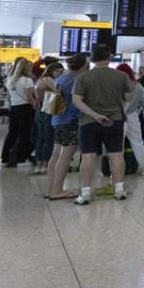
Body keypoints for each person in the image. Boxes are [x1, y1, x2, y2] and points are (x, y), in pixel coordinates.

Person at [72, 45, 131, 205]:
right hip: (115, 120)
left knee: (88, 156)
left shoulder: (83, 77)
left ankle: (85, 193)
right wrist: (119, 108)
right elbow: (128, 97)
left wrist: (95, 115)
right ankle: (119, 190)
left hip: (89, 121)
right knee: (116, 154)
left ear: (92, 58)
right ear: (109, 57)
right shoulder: (122, 76)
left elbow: (76, 100)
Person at [45, 54, 88, 200]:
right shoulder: (75, 81)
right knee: (66, 156)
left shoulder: (61, 78)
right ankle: (57, 190)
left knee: (56, 154)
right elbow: (79, 101)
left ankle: (51, 188)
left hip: (58, 119)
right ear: (83, 66)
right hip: (70, 120)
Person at [115, 64, 144, 176]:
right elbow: (142, 103)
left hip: (118, 116)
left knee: (117, 144)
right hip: (133, 116)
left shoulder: (116, 85)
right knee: (138, 142)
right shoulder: (138, 86)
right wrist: (136, 111)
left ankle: (116, 169)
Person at [1, 57, 36, 167]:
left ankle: (6, 156)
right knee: (25, 134)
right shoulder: (27, 80)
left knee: (12, 133)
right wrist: (35, 105)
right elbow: (29, 97)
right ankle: (20, 156)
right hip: (25, 109)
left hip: (14, 108)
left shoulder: (10, 79)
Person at [31, 61, 64, 174]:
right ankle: (45, 163)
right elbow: (59, 89)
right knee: (48, 137)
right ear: (51, 71)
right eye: (57, 71)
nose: (59, 74)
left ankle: (39, 163)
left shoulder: (41, 79)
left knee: (41, 137)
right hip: (48, 110)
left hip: (40, 110)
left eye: (61, 72)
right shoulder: (48, 80)